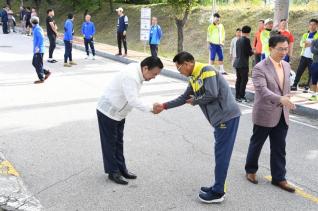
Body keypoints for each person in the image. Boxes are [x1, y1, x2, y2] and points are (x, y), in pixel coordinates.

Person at [153, 51, 241, 204]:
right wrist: (164, 106)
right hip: (219, 118)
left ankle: (218, 192)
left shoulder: (206, 71)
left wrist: (195, 101)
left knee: (222, 154)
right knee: (220, 153)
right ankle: (218, 185)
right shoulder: (194, 77)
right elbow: (184, 98)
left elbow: (212, 94)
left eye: (180, 68)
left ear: (188, 63)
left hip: (226, 117)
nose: (180, 72)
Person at [96, 57, 163, 185]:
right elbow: (132, 100)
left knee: (118, 141)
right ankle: (113, 172)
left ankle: (122, 168)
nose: (154, 77)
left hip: (119, 113)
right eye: (154, 74)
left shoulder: (138, 71)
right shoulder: (131, 76)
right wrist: (151, 108)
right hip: (108, 112)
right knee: (110, 143)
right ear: (145, 68)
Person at [245, 35, 296, 193]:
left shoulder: (286, 66)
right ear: (271, 48)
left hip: (282, 114)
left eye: (286, 49)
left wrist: (287, 98)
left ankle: (279, 178)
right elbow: (262, 90)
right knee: (257, 143)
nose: (283, 52)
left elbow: (285, 87)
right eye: (280, 49)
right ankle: (251, 170)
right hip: (265, 113)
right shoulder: (260, 67)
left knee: (280, 147)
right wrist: (280, 98)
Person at [291, 19, 318, 92]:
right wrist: (306, 44)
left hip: (313, 58)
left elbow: (315, 46)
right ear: (309, 25)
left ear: (317, 25)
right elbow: (301, 44)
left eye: (314, 24)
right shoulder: (305, 34)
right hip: (304, 56)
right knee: (299, 71)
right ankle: (294, 84)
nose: (312, 26)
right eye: (311, 24)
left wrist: (309, 44)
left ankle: (307, 87)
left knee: (311, 73)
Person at [233, 26, 253, 102]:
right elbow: (249, 52)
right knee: (244, 80)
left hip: (237, 62)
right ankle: (241, 96)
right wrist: (253, 51)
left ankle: (237, 95)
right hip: (243, 63)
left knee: (238, 79)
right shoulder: (247, 40)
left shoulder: (238, 40)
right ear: (248, 32)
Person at [30, 16, 51, 84]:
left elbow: (41, 37)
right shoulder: (36, 28)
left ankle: (41, 78)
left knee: (38, 64)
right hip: (37, 50)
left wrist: (38, 47)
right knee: (34, 63)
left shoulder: (37, 29)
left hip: (39, 50)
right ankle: (46, 72)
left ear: (32, 22)